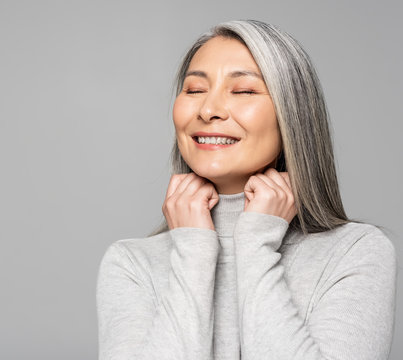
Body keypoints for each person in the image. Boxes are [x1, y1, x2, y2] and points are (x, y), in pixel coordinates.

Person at [96, 19, 398, 360]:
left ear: (293, 114)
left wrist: (257, 242)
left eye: (243, 91)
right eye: (194, 90)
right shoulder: (132, 264)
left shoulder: (356, 252)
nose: (208, 110)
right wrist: (193, 250)